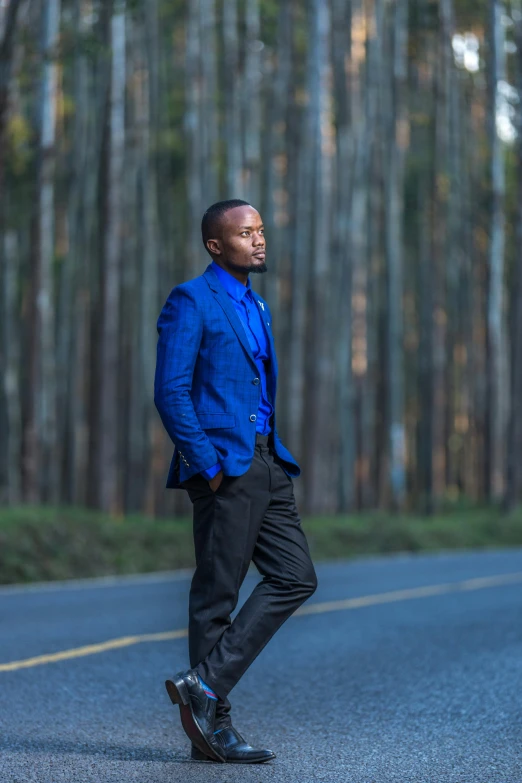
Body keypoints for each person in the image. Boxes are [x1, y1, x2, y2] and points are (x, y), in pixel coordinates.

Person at [154, 199, 318, 764]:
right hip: (226, 467)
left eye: (261, 230)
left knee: (296, 576)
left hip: (268, 462)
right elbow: (170, 391)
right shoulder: (191, 300)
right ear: (215, 245)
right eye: (246, 233)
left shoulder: (258, 305)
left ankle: (204, 687)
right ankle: (213, 730)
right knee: (217, 596)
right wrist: (211, 465)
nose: (259, 240)